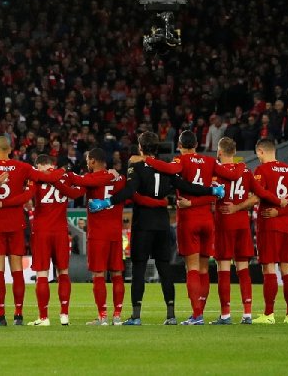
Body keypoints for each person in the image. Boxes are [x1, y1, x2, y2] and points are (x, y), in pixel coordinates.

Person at [91, 132, 223, 325]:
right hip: (162, 224)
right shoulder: (167, 168)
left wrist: (106, 202)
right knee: (165, 269)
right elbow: (187, 185)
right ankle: (171, 315)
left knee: (139, 269)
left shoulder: (137, 166)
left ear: (141, 147)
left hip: (143, 223)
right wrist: (211, 190)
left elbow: (129, 191)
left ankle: (136, 316)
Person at [142, 130, 219, 324]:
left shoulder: (180, 161)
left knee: (191, 268)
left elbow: (167, 169)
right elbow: (220, 188)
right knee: (203, 269)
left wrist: (148, 160)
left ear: (180, 145)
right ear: (196, 145)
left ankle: (197, 315)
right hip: (208, 221)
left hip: (189, 220)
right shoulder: (210, 162)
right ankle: (200, 310)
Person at [0, 136, 35, 326]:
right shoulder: (23, 168)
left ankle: (0, 315)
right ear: (10, 149)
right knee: (17, 269)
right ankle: (18, 315)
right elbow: (31, 191)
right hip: (16, 223)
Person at [26, 155, 84, 326]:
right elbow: (77, 192)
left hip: (42, 231)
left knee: (42, 274)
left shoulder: (36, 178)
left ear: (41, 165)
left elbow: (27, 198)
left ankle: (44, 317)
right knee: (63, 273)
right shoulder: (64, 176)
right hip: (60, 231)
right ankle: (64, 314)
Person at [71, 149, 126, 325]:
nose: (87, 163)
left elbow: (75, 192)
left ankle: (102, 317)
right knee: (117, 272)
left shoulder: (91, 179)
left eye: (88, 160)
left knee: (98, 274)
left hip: (98, 233)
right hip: (116, 232)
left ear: (94, 161)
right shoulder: (119, 179)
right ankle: (117, 316)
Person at [250, 138, 288, 324]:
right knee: (286, 269)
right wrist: (282, 210)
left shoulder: (261, 170)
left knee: (269, 268)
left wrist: (276, 206)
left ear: (260, 151)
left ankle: (269, 314)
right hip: (287, 226)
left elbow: (258, 195)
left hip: (268, 225)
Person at [211, 137, 258, 324]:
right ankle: (247, 314)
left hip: (224, 224)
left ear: (220, 152)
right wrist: (239, 207)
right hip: (242, 225)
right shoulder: (246, 170)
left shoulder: (217, 172)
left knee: (223, 268)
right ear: (235, 151)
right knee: (243, 269)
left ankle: (225, 315)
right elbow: (256, 197)